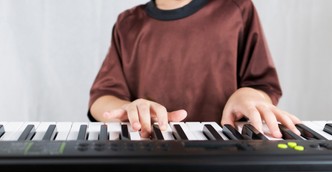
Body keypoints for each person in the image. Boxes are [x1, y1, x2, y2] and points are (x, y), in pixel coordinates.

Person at [88, 0, 301, 138]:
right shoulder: (128, 23)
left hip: (226, 158)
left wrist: (247, 94)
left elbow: (263, 86)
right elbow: (102, 98)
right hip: (150, 157)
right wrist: (129, 109)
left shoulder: (236, 9)